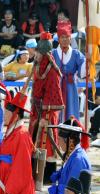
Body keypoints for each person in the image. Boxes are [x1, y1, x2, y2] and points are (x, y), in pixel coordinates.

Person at [29, 32, 64, 183]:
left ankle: (48, 175)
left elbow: (53, 92)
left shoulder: (52, 70)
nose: (36, 54)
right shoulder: (37, 65)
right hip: (36, 110)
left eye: (38, 52)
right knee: (33, 139)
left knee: (48, 142)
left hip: (47, 112)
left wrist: (45, 115)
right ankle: (33, 172)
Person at [51, 21, 86, 122]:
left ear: (71, 38)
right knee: (56, 113)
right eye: (62, 37)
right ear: (58, 39)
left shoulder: (76, 54)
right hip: (56, 86)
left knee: (71, 111)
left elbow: (82, 73)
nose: (65, 39)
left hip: (71, 86)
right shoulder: (52, 53)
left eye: (67, 37)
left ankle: (70, 135)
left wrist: (87, 61)